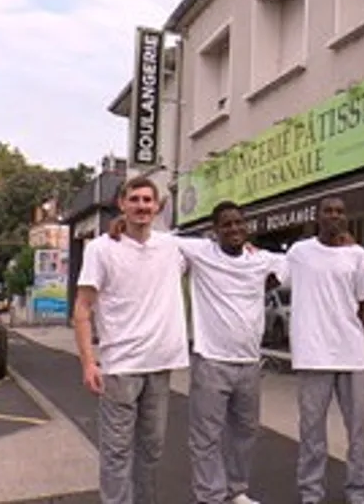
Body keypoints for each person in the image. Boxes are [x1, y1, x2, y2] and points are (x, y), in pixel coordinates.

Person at [108, 201, 283, 504]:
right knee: (206, 437)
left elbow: (296, 265)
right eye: (226, 224)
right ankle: (210, 496)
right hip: (211, 361)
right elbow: (158, 237)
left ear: (247, 226)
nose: (234, 229)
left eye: (239, 223)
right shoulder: (201, 252)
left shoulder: (262, 259)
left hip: (250, 363)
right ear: (215, 231)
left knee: (245, 433)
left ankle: (236, 491)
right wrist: (124, 224)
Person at [73, 176, 189, 504]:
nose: (141, 206)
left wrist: (249, 250)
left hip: (161, 364)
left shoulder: (172, 246)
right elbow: (82, 309)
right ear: (121, 204)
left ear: (157, 207)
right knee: (116, 453)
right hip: (120, 367)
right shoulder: (100, 249)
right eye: (134, 199)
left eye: (147, 201)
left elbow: (221, 249)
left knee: (152, 452)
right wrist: (88, 362)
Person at [284, 196, 364, 504]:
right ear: (317, 216)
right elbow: (271, 272)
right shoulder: (299, 253)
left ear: (345, 217)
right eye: (328, 211)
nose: (334, 216)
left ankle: (358, 491)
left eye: (340, 211)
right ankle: (311, 493)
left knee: (358, 431)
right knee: (311, 432)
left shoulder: (357, 255)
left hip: (352, 355)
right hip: (313, 355)